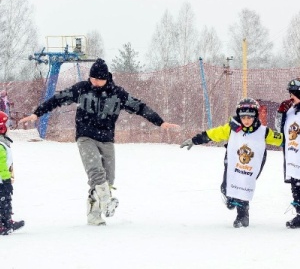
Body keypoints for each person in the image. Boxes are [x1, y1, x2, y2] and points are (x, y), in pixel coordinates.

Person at [19, 58, 179, 226]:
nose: (93, 82)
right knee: (96, 172)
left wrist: (160, 122)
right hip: (85, 136)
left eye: (97, 79)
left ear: (106, 78)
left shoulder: (118, 94)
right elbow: (57, 98)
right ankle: (107, 201)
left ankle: (94, 215)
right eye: (92, 78)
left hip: (107, 139)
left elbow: (140, 107)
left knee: (109, 179)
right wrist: (37, 113)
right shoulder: (81, 89)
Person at [180, 98, 283, 228]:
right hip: (233, 161)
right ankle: (230, 197)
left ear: (255, 116)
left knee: (244, 186)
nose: (246, 120)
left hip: (253, 163)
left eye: (250, 117)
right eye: (243, 117)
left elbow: (282, 140)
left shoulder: (264, 132)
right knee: (226, 187)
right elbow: (214, 134)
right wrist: (195, 140)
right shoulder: (232, 128)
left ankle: (242, 215)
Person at [276, 78, 300, 228]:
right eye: (290, 93)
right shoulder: (290, 110)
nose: (291, 96)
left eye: (294, 93)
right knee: (296, 186)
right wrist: (281, 113)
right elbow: (279, 130)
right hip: (292, 155)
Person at [0, 111, 24, 235]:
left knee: (6, 201)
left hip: (3, 179)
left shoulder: (3, 141)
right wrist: (6, 180)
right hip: (1, 181)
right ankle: (2, 224)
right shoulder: (0, 144)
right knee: (3, 201)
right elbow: (1, 164)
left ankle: (6, 221)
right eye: (6, 124)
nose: (8, 127)